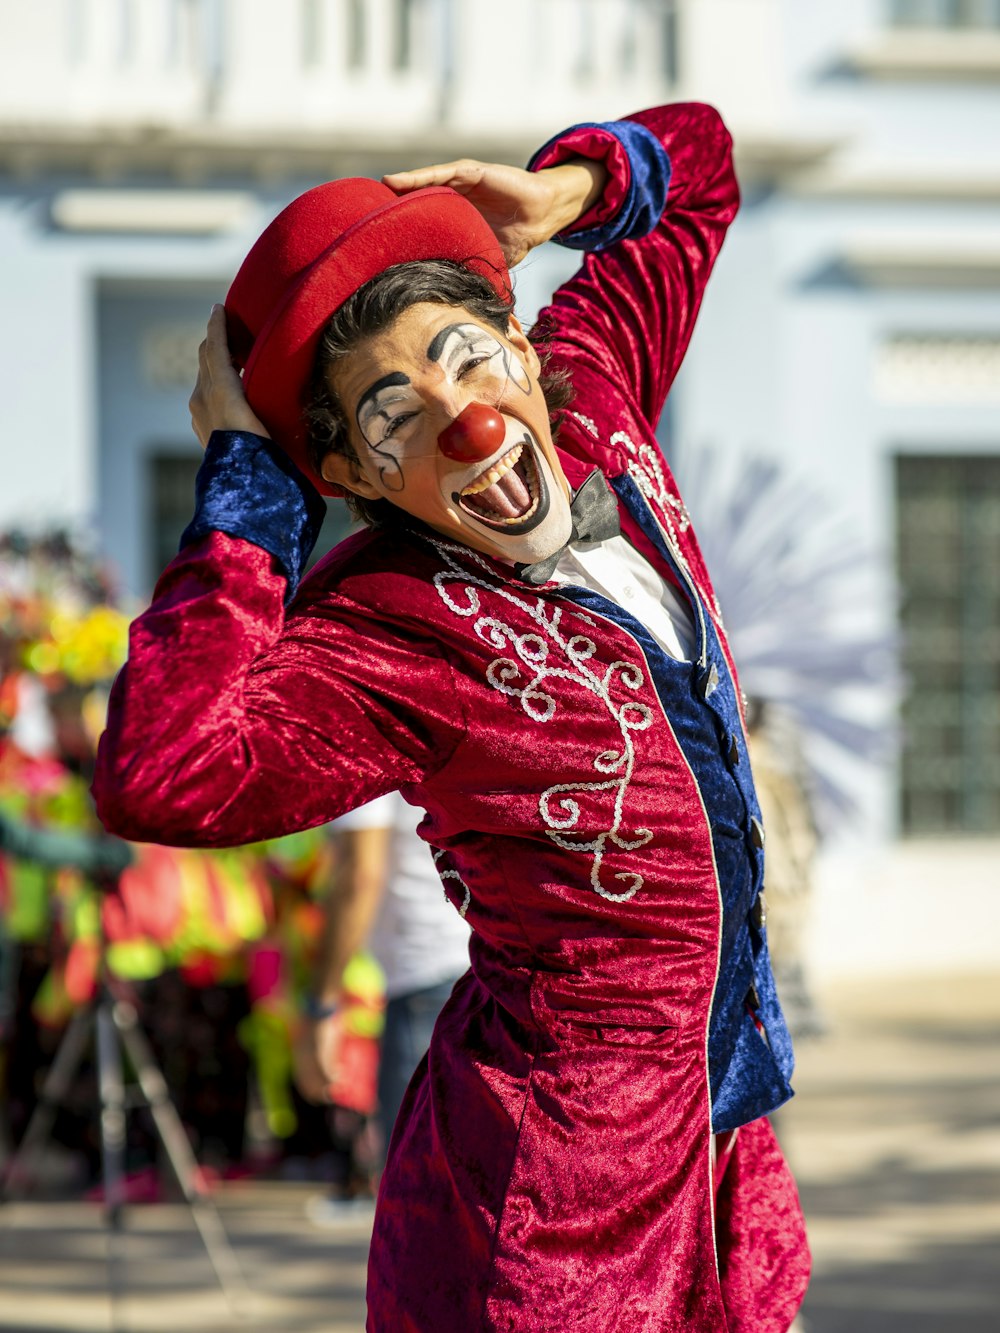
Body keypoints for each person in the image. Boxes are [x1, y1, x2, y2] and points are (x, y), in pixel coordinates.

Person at [94, 103, 810, 1331]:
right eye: (391, 415)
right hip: (549, 1213)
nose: (463, 420)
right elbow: (163, 769)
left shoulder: (597, 401)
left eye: (470, 358)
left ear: (523, 352)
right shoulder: (387, 624)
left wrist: (563, 195)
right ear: (362, 478)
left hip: (721, 1154)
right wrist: (251, 485)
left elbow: (701, 168)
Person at [293, 793, 470, 1177]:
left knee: (417, 1185)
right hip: (473, 960)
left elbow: (359, 877)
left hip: (426, 973)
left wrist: (319, 1009)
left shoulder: (367, 748)